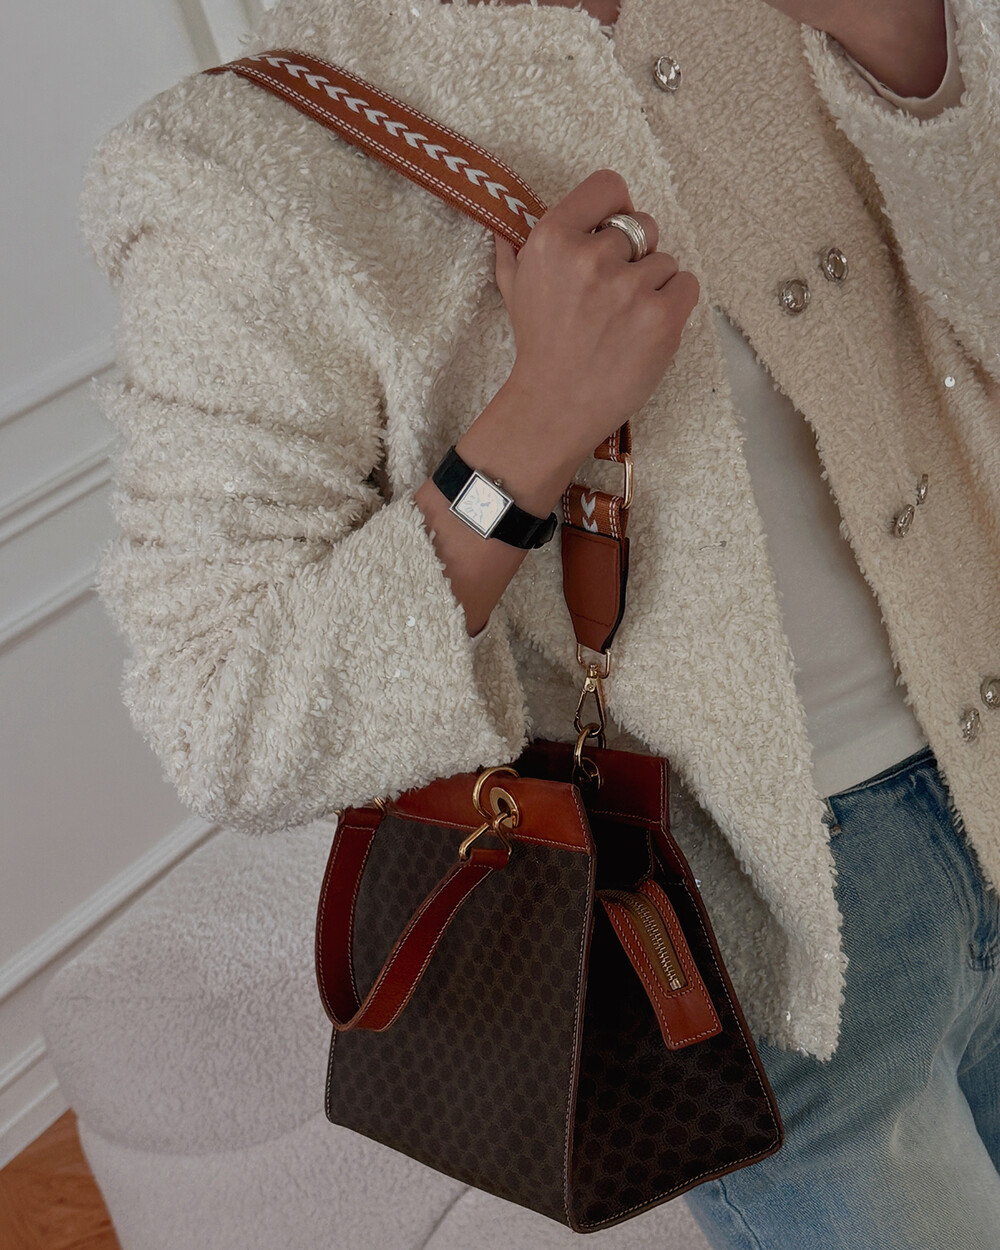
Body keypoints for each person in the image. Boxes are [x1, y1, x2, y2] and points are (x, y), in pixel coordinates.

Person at [80, 0, 1000, 1244]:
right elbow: (227, 709)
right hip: (773, 940)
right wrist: (532, 427)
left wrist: (913, 57)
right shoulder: (244, 161)